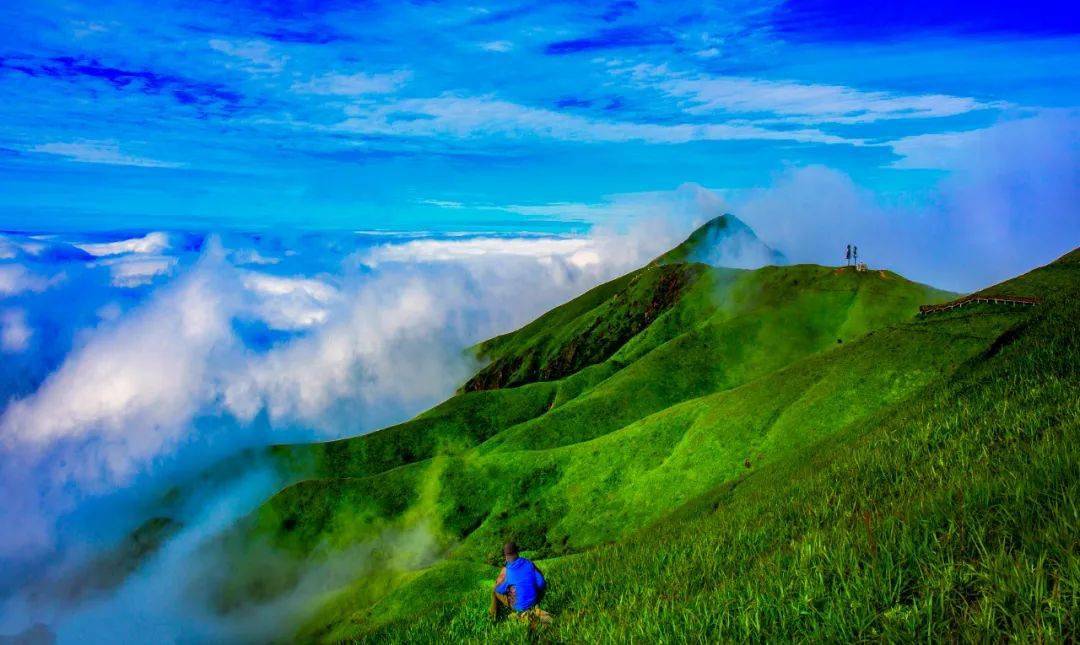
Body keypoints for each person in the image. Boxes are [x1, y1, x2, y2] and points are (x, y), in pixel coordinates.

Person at [490, 541, 547, 622]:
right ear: (517, 552)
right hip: (534, 601)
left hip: (517, 606)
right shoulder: (529, 563)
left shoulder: (508, 570)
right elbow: (541, 583)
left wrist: (498, 584)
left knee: (494, 591)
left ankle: (493, 618)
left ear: (506, 556)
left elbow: (500, 590)